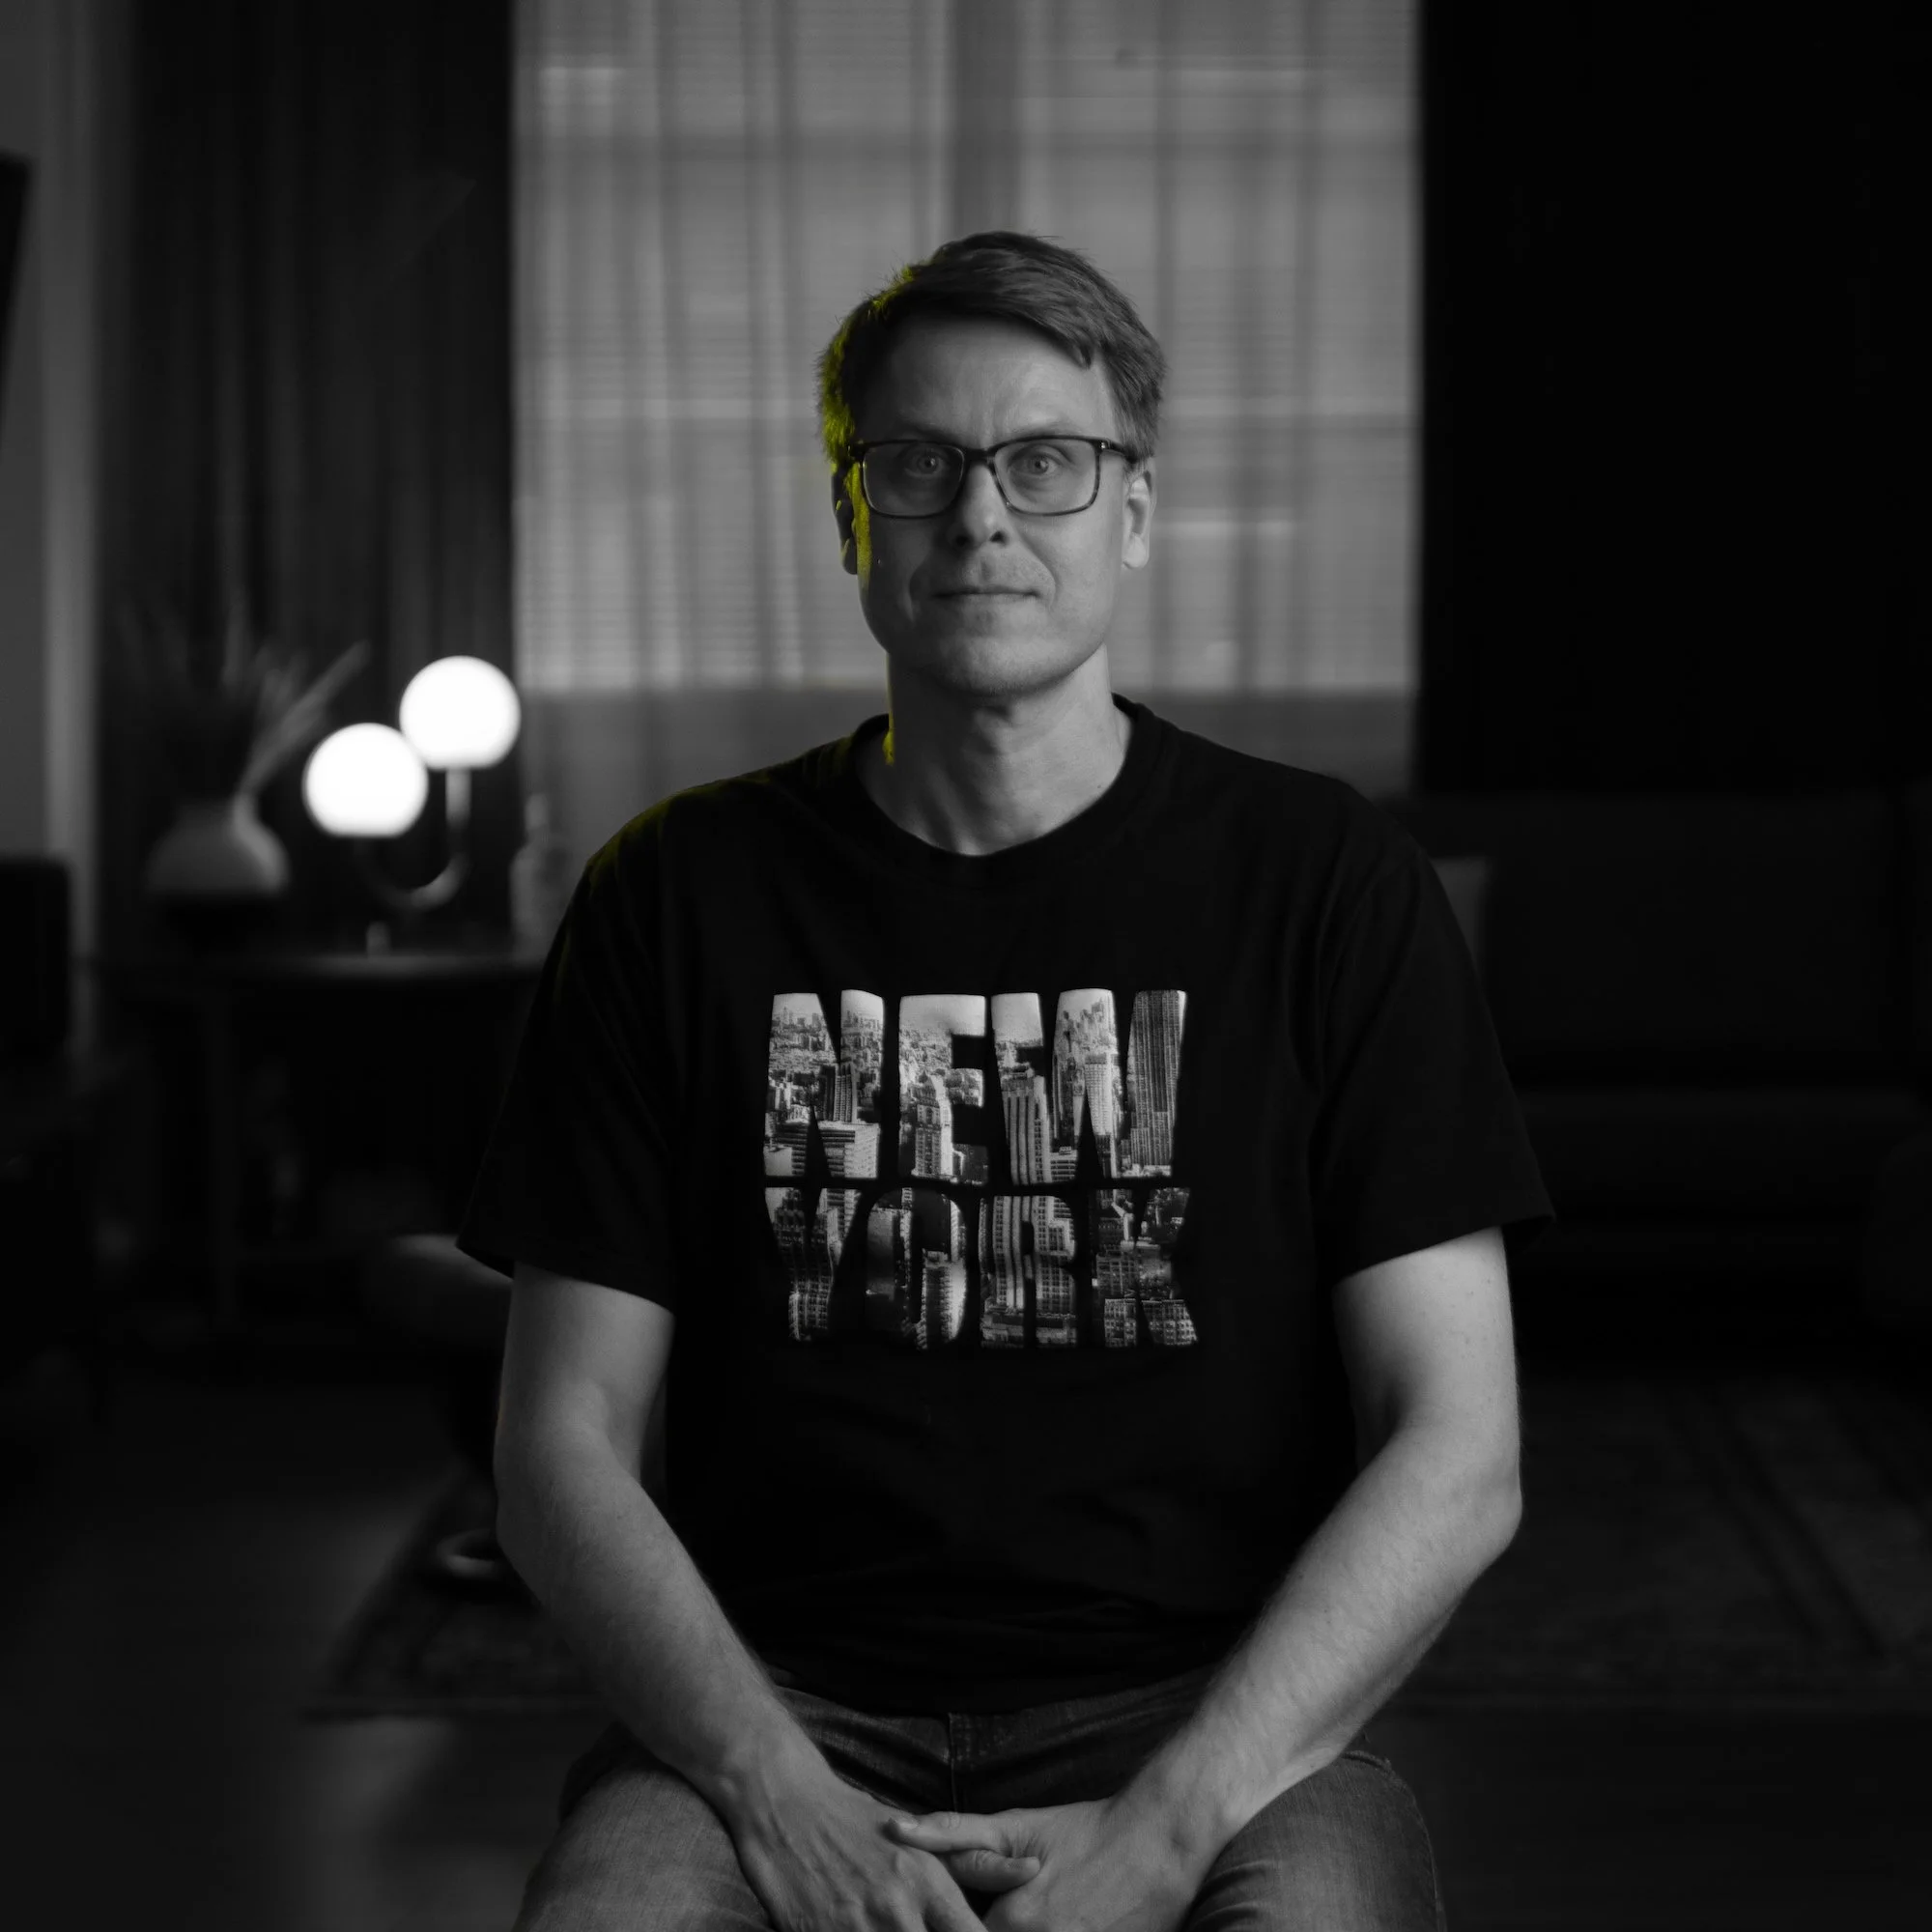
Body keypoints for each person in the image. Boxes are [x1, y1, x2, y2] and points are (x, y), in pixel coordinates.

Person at [457, 230, 1552, 1931]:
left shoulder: (1328, 884)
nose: (982, 517)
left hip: (1215, 1706)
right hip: (776, 1713)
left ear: (1133, 512)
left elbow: (1462, 1447)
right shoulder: (675, 896)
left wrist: (1173, 1826)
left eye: (1047, 462)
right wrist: (778, 1797)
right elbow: (559, 1448)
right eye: (919, 463)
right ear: (850, 517)